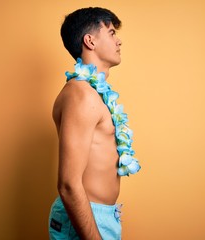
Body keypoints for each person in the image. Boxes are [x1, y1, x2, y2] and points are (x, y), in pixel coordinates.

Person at [48, 7, 140, 240]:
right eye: (110, 33)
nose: (118, 41)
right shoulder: (82, 95)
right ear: (90, 40)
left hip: (102, 215)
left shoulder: (93, 93)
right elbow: (68, 184)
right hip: (85, 218)